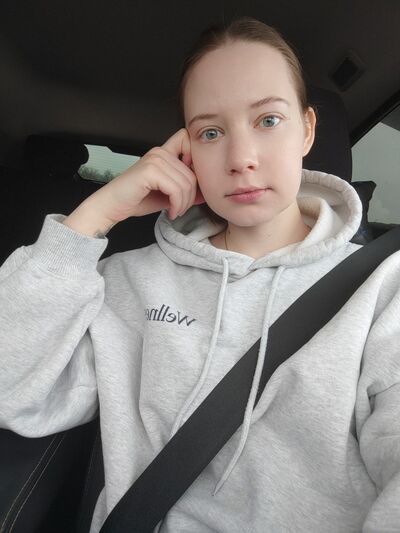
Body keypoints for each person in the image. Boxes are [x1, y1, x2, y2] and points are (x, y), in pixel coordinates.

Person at [1, 16, 399, 533]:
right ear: (186, 152)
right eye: (211, 132)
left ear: (307, 129)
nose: (241, 158)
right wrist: (94, 215)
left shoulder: (382, 290)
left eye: (268, 120)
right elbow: (10, 386)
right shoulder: (126, 282)